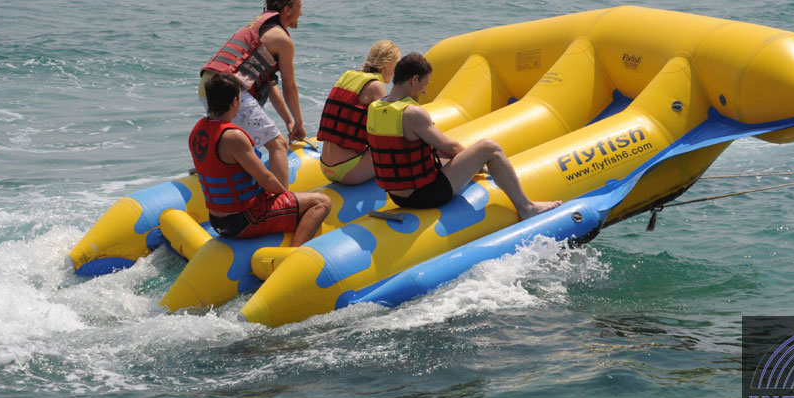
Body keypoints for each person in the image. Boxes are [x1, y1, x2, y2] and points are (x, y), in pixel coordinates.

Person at [366, 53, 562, 219]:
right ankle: (526, 207)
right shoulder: (412, 113)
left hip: (397, 196)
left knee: (445, 155)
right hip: (425, 196)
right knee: (489, 148)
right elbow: (451, 149)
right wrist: (476, 163)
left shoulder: (375, 108)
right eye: (425, 84)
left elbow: (402, 150)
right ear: (414, 80)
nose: (425, 91)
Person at [189, 73, 331, 245]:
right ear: (235, 101)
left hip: (217, 221)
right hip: (244, 220)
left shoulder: (198, 131)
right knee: (322, 202)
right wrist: (287, 198)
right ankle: (295, 253)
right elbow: (266, 179)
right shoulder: (233, 137)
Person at [199, 0, 306, 189]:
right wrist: (300, 123)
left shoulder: (259, 27)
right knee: (278, 145)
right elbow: (289, 86)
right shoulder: (282, 40)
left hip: (208, 86)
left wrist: (289, 122)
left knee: (242, 146)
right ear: (287, 9)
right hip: (230, 90)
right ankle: (284, 206)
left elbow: (270, 84)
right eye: (299, 7)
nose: (301, 13)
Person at [316, 40, 400, 185]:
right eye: (395, 67)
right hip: (349, 170)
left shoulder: (348, 76)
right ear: (386, 67)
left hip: (324, 167)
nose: (395, 73)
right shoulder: (376, 85)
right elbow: (387, 128)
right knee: (396, 149)